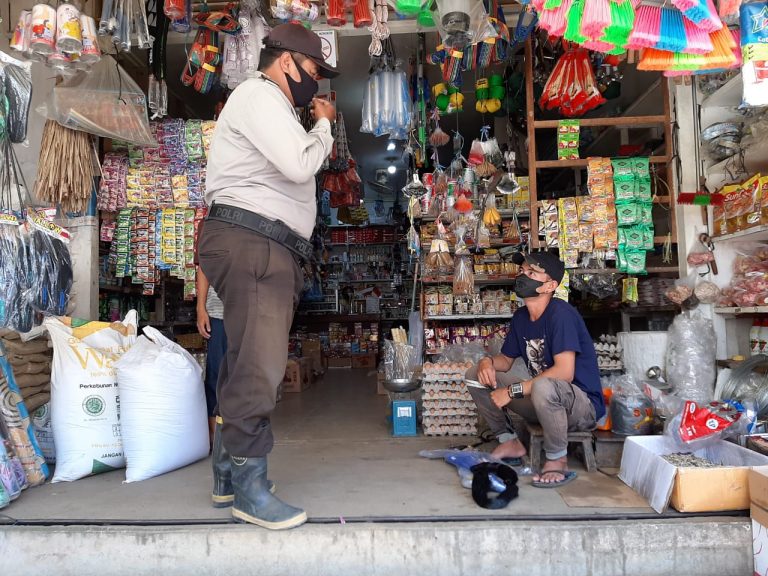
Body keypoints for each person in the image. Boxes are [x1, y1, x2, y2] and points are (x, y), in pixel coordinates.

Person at [197, 23, 338, 530]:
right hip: (254, 243)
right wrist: (322, 125)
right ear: (286, 63)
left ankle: (225, 476)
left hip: (257, 242)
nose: (316, 84)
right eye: (313, 72)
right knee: (260, 369)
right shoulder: (259, 95)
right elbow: (301, 166)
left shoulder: (267, 105)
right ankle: (249, 491)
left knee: (242, 362)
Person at [465, 251, 605, 488]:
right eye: (522, 271)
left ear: (549, 285)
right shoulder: (521, 317)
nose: (523, 276)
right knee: (474, 375)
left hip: (580, 408)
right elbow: (506, 361)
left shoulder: (561, 314)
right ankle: (509, 440)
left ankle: (557, 459)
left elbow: (564, 373)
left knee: (543, 384)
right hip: (543, 401)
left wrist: (511, 392)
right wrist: (486, 362)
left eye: (532, 273)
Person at [195, 265, 225, 446]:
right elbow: (205, 268)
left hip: (249, 314)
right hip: (218, 313)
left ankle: (241, 434)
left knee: (245, 375)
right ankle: (216, 437)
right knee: (216, 373)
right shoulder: (213, 235)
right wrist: (201, 308)